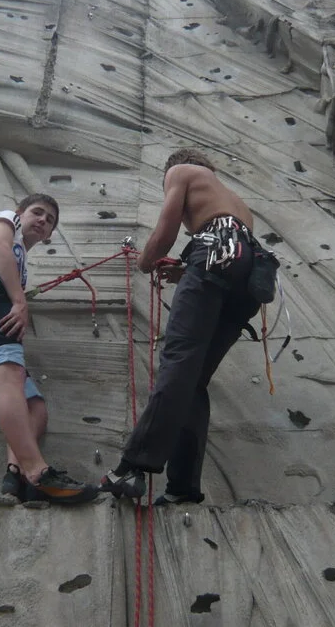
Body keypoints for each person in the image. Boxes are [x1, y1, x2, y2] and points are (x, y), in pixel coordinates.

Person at [101, 149, 262, 505]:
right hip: (249, 276)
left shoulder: (181, 170)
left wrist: (144, 262)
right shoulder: (230, 199)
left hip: (215, 255)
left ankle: (132, 467)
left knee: (178, 363)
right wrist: (187, 271)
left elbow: (165, 233)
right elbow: (231, 250)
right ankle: (183, 488)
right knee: (193, 382)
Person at [0, 194, 99, 504]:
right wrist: (19, 301)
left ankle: (14, 475)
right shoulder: (7, 220)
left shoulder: (21, 261)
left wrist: (18, 293)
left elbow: (7, 257)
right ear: (20, 213)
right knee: (10, 374)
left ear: (50, 235)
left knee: (34, 406)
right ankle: (38, 473)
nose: (43, 220)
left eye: (50, 220)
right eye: (38, 213)